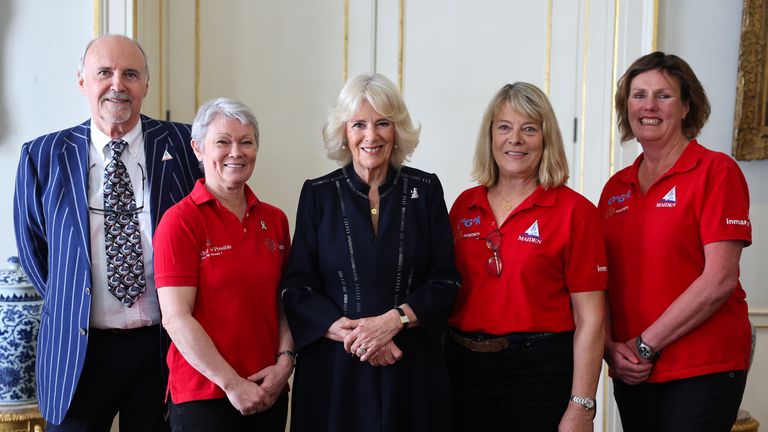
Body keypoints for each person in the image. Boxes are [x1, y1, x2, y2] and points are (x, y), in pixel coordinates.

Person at [13, 34, 202, 430]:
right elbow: (34, 251)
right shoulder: (42, 155)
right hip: (78, 352)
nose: (118, 85)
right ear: (82, 81)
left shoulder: (186, 146)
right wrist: (72, 301)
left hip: (163, 348)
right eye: (104, 73)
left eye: (130, 74)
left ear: (146, 85)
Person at [281, 73, 460, 432]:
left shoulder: (425, 190)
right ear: (344, 133)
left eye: (382, 123)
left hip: (410, 367)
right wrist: (361, 338)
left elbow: (445, 281)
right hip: (336, 371)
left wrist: (392, 322)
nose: (371, 135)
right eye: (359, 124)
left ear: (396, 132)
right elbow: (298, 287)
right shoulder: (318, 194)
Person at [600, 52, 752, 432]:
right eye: (638, 95)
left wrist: (644, 345)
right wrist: (610, 350)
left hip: (702, 366)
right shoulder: (615, 188)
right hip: (632, 369)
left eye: (663, 96)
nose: (649, 105)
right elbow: (598, 281)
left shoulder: (716, 171)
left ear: (686, 106)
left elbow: (720, 279)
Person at [447, 82, 607, 431]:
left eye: (529, 129)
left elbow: (591, 319)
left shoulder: (576, 213)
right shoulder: (463, 205)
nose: (515, 139)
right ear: (490, 136)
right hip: (460, 372)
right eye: (504, 127)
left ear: (546, 139)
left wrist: (582, 405)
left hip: (539, 375)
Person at [153, 98, 294, 431]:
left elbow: (285, 302)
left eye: (246, 142)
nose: (236, 152)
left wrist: (284, 365)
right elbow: (175, 318)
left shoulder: (275, 220)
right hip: (205, 396)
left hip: (268, 390)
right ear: (198, 149)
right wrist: (232, 384)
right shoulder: (180, 221)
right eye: (223, 142)